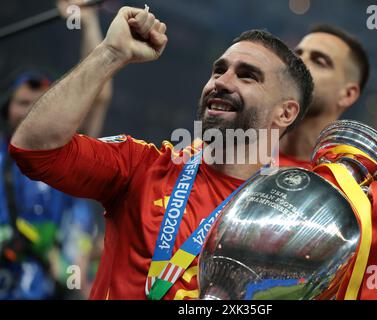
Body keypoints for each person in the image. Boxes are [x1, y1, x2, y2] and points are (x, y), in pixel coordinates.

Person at [8, 6, 314, 300]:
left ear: (285, 113)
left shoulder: (285, 227)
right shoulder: (141, 166)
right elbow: (34, 148)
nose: (221, 82)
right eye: (219, 70)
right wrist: (110, 54)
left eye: (247, 76)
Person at [279, 24, 377, 299]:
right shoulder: (246, 156)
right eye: (298, 54)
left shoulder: (361, 190)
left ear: (348, 94)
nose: (300, 63)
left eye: (319, 61)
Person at [0, 0, 112, 299]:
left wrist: (87, 21)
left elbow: (98, 93)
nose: (30, 113)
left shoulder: (62, 155)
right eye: (23, 104)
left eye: (38, 105)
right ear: (5, 109)